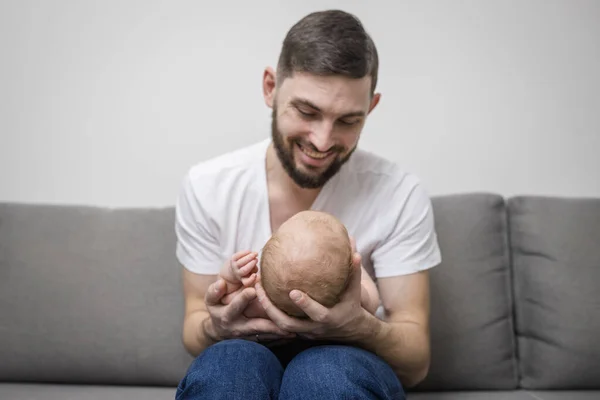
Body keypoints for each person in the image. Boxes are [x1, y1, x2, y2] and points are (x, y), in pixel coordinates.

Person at [174, 8, 441, 400]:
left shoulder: (399, 193)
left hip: (351, 359)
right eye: (307, 112)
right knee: (227, 368)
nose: (322, 141)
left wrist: (356, 326)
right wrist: (220, 323)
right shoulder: (208, 187)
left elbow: (415, 363)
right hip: (245, 354)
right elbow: (196, 326)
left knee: (325, 375)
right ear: (270, 87)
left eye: (349, 120)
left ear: (371, 107)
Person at [217, 210, 381, 320]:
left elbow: (226, 298)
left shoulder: (259, 303)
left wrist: (231, 274)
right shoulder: (350, 301)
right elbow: (372, 303)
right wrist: (354, 261)